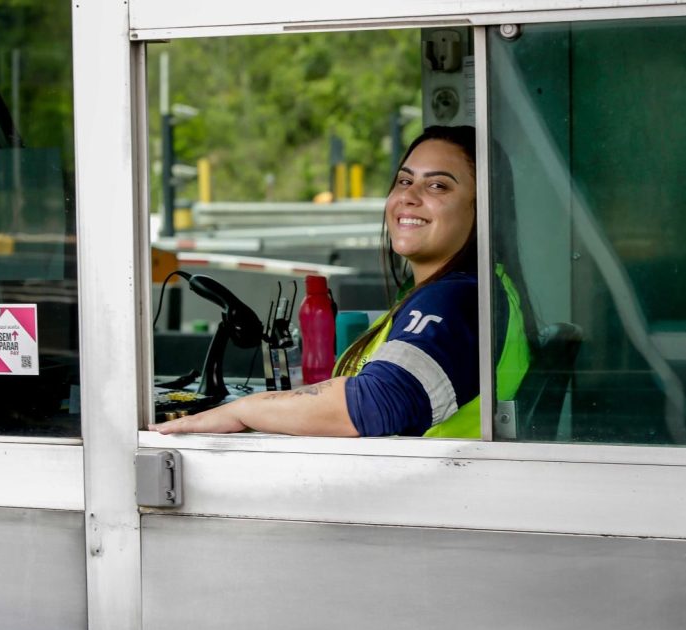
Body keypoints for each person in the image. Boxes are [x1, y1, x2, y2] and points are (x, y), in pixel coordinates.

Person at [149, 126, 530, 438]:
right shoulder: (470, 290)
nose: (409, 197)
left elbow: (377, 405)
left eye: (437, 186)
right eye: (403, 181)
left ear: (483, 207)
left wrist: (242, 411)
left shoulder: (458, 299)